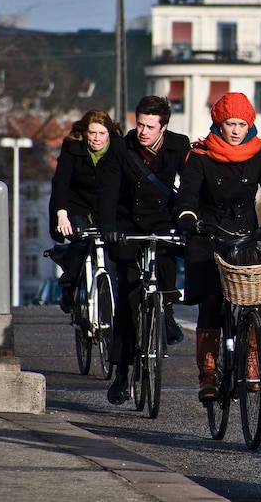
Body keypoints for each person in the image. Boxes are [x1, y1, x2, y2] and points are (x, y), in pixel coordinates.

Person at [173, 92, 261, 401]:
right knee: (210, 298)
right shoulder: (201, 155)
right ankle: (208, 372)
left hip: (245, 234)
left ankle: (250, 358)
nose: (235, 130)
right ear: (219, 123)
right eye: (230, 123)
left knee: (255, 300)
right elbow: (188, 194)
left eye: (241, 124)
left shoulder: (259, 154)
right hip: (208, 233)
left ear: (250, 126)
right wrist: (187, 215)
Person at [97, 95, 192, 405]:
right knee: (127, 298)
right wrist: (108, 226)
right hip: (127, 226)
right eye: (140, 124)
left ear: (163, 127)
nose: (143, 131)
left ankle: (166, 314)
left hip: (162, 221)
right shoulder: (121, 148)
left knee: (166, 268)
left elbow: (190, 185)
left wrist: (189, 216)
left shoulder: (179, 145)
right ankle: (122, 375)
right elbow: (108, 190)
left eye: (150, 127)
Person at [48, 109, 123, 314]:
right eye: (92, 133)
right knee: (81, 242)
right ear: (85, 132)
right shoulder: (73, 147)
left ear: (109, 133)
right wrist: (62, 214)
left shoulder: (119, 148)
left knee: (112, 253)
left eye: (101, 133)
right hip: (76, 206)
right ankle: (69, 287)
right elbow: (61, 182)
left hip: (106, 209)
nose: (96, 139)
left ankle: (111, 304)